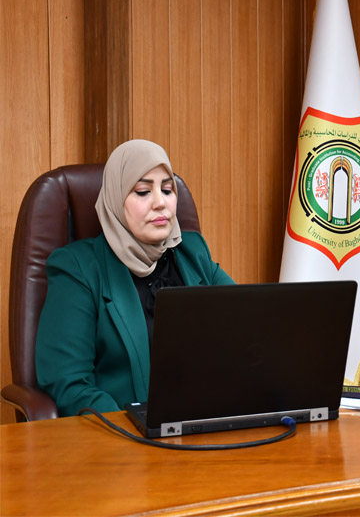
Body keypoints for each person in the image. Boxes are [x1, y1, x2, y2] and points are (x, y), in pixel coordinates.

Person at [36, 140, 234, 416]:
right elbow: (69, 383)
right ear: (116, 200)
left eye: (167, 190)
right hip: (124, 432)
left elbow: (247, 330)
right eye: (143, 191)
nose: (160, 202)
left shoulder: (193, 252)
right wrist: (131, 428)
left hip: (206, 420)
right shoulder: (78, 267)